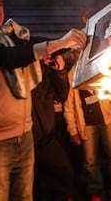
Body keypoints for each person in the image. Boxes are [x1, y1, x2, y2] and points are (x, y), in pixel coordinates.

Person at [0, 0, 87, 201]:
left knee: (25, 197)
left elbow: (31, 45)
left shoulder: (6, 36)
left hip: (24, 134)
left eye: (0, 4)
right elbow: (8, 57)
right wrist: (59, 43)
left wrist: (75, 38)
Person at [64, 63, 111, 201]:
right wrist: (73, 130)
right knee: (90, 160)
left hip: (106, 118)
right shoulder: (72, 75)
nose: (78, 52)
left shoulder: (98, 65)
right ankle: (96, 192)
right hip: (86, 124)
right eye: (75, 50)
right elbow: (68, 105)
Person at [32, 54, 75, 201]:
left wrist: (60, 71)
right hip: (28, 141)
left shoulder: (48, 75)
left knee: (64, 173)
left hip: (47, 139)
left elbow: (62, 95)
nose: (48, 59)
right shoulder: (26, 73)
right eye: (45, 56)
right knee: (37, 187)